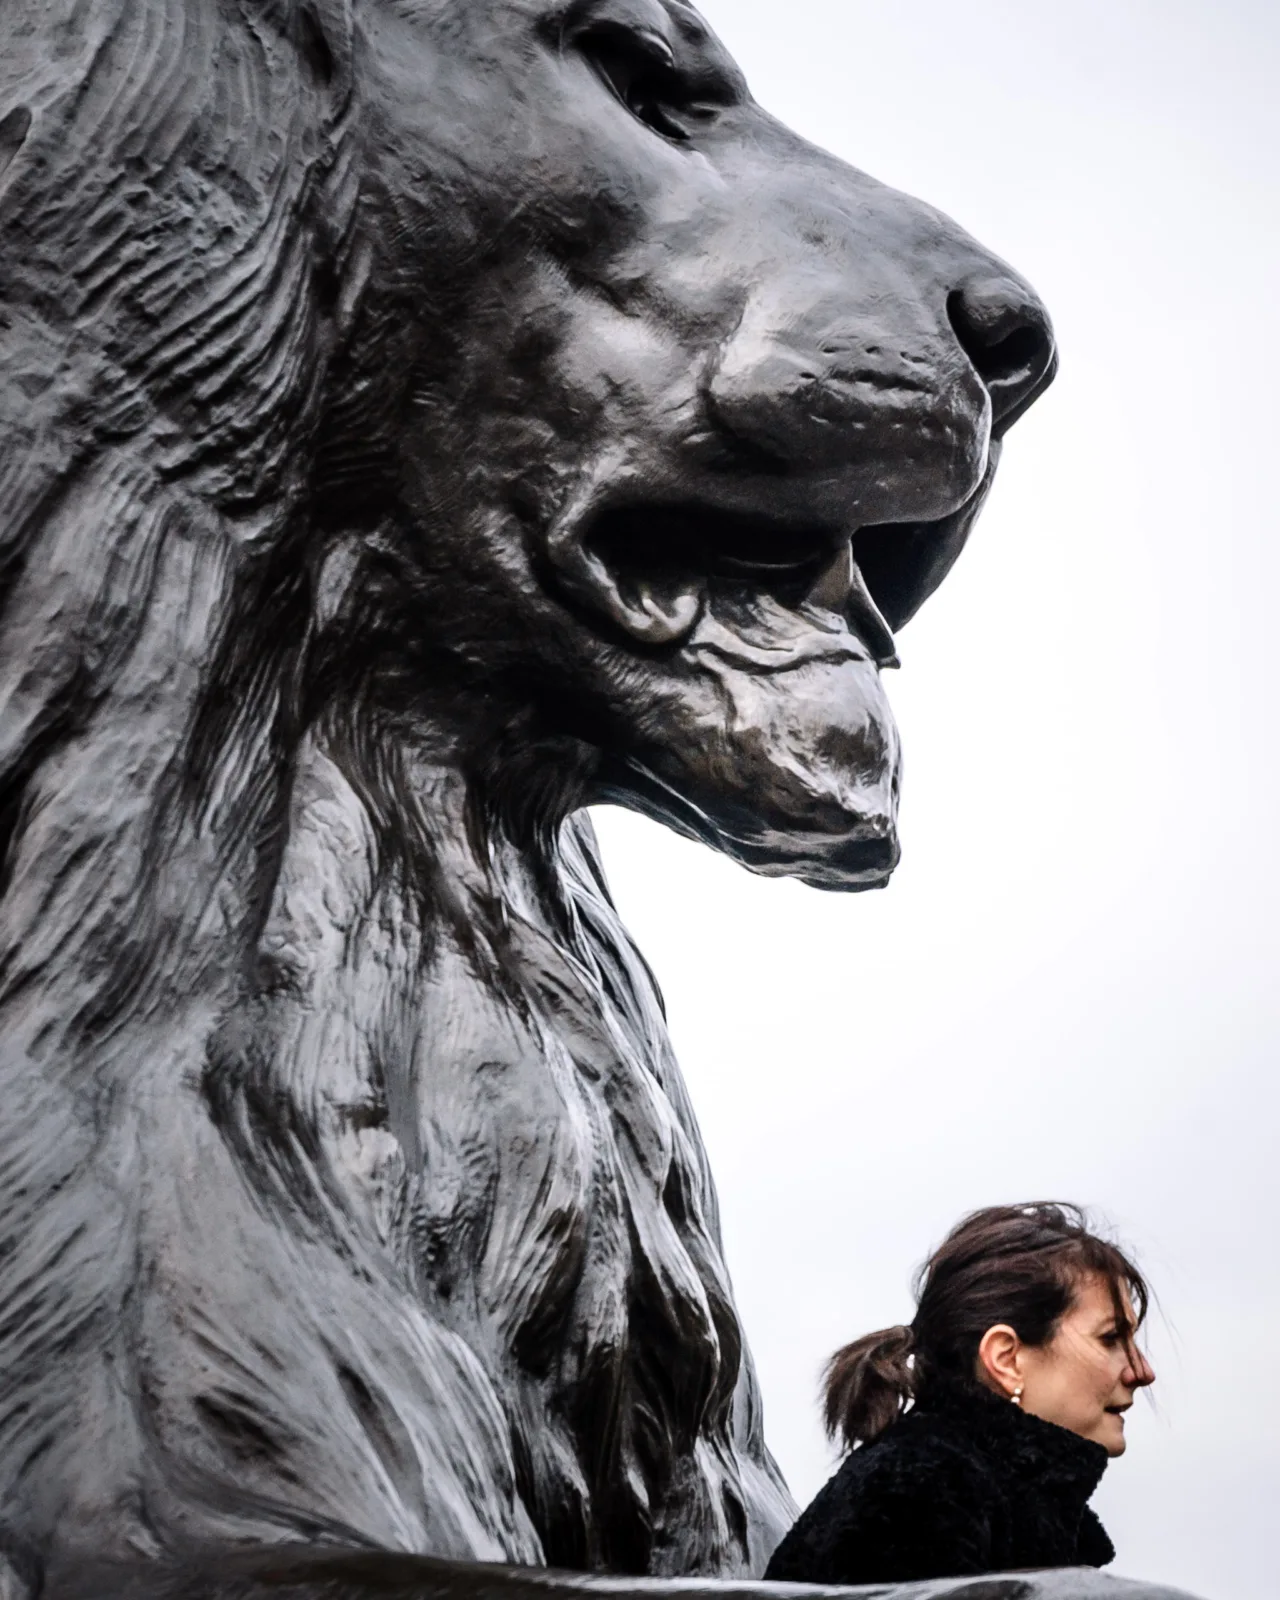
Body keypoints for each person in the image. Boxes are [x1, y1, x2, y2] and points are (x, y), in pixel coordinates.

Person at [764, 1203, 1156, 1584]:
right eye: (1110, 1339)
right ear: (1006, 1359)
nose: (1142, 1372)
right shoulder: (919, 1495)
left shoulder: (978, 1491)